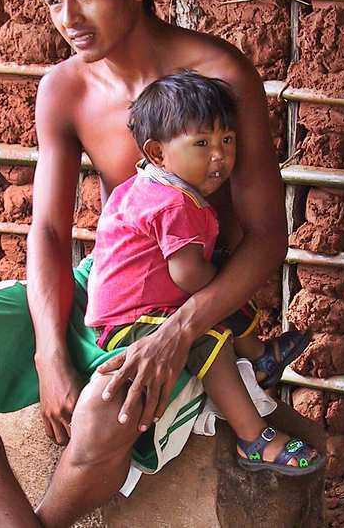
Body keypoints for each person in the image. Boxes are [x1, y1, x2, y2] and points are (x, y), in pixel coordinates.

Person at [0, 0, 326, 526]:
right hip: (103, 286)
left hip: (179, 305)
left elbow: (266, 239)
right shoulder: (65, 88)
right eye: (54, 0)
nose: (68, 17)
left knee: (107, 408)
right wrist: (49, 354)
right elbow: (49, 231)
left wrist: (180, 333)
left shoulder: (220, 75)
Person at [85, 70, 323, 475]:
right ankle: (254, 438)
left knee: (222, 291)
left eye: (226, 141)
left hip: (129, 310)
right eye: (202, 143)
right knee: (210, 326)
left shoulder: (146, 186)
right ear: (158, 153)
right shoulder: (174, 204)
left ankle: (259, 356)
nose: (220, 156)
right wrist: (223, 287)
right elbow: (187, 276)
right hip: (130, 325)